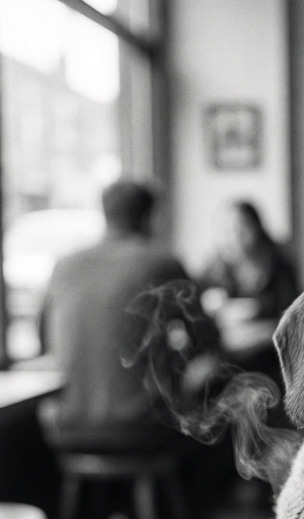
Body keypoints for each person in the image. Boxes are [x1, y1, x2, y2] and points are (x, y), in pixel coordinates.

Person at [39, 179, 217, 453]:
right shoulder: (160, 263)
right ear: (148, 218)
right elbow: (205, 336)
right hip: (141, 425)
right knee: (215, 393)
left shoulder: (63, 265)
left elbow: (43, 338)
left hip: (66, 425)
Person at [200, 200, 299, 323]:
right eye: (228, 231)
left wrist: (258, 309)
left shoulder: (279, 264)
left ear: (257, 227)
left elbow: (293, 309)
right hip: (229, 338)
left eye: (243, 228)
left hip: (271, 336)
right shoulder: (215, 268)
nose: (236, 237)